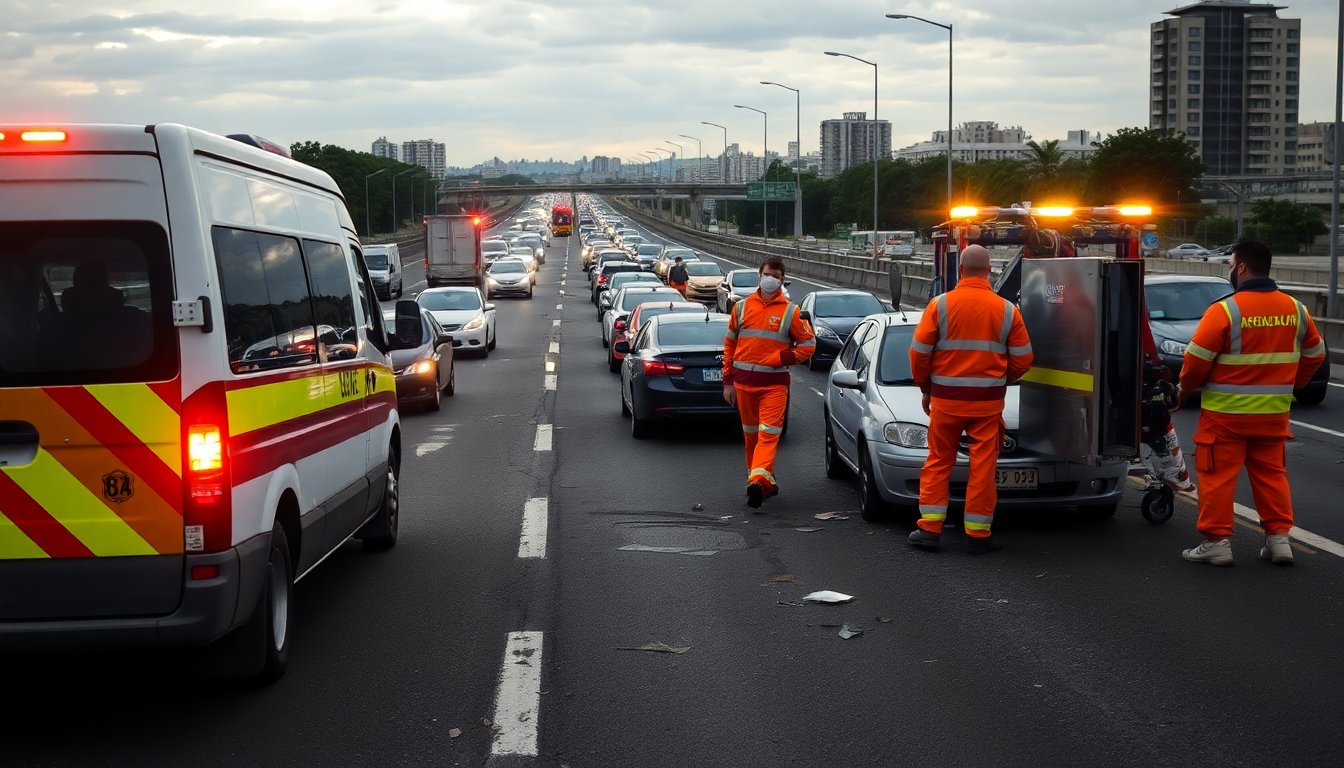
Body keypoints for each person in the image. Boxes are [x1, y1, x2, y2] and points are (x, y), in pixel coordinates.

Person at [1177, 239, 1325, 566]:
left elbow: (1195, 360)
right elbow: (1316, 356)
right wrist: (1292, 385)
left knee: (1216, 477)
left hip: (1225, 418)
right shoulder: (1295, 309)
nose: (1231, 270)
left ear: (1242, 267)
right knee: (1271, 475)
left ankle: (1217, 542)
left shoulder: (1225, 310)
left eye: (1231, 264)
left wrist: (1185, 391)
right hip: (1273, 416)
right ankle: (1279, 540)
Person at [908, 244, 1033, 554]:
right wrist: (1002, 379)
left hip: (947, 402)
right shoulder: (1007, 310)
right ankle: (978, 534)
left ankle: (930, 529)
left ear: (961, 270)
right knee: (983, 465)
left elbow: (919, 353)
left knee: (938, 461)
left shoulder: (940, 306)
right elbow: (1024, 358)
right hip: (987, 405)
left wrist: (926, 387)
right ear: (989, 271)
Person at [722, 256, 815, 509]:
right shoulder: (741, 308)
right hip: (743, 385)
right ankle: (762, 483)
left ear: (782, 280)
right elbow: (729, 344)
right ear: (759, 276)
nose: (771, 279)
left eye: (776, 275)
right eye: (767, 274)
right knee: (751, 436)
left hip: (774, 385)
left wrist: (782, 357)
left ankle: (756, 477)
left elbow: (808, 344)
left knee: (768, 434)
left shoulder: (790, 312)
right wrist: (727, 381)